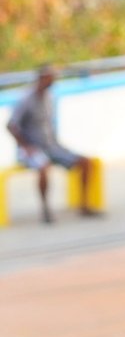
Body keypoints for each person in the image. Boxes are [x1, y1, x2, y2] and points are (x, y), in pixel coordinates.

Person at [7, 66, 101, 224]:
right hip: (32, 148)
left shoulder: (49, 97)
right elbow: (11, 125)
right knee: (43, 166)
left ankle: (84, 205)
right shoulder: (26, 99)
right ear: (42, 78)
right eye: (50, 78)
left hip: (51, 146)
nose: (52, 81)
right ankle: (45, 210)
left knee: (86, 162)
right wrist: (26, 147)